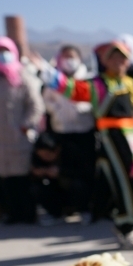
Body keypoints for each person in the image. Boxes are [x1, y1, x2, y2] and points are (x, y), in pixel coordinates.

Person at [38, 40, 133, 249]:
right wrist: (50, 75)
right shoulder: (98, 85)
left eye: (122, 58)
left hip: (131, 139)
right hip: (111, 140)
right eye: (113, 58)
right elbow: (74, 90)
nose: (118, 62)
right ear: (106, 61)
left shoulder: (130, 84)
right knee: (124, 182)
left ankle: (122, 223)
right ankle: (127, 227)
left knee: (128, 181)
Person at [0, 37, 44, 224]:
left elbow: (35, 105)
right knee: (1, 179)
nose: (2, 56)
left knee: (21, 179)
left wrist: (26, 124)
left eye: (6, 51)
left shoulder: (22, 75)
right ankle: (10, 213)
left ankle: (27, 213)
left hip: (17, 135)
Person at [42, 44, 95, 223]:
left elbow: (94, 100)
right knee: (62, 172)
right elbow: (46, 101)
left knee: (85, 170)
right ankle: (64, 208)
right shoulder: (54, 80)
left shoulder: (88, 79)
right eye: (65, 57)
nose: (69, 60)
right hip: (61, 131)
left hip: (84, 131)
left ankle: (85, 207)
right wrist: (58, 110)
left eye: (72, 56)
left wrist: (81, 109)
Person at [30, 131, 64, 224]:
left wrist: (61, 172)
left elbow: (83, 173)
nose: (45, 158)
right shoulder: (35, 157)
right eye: (42, 155)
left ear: (57, 150)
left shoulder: (68, 154)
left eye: (48, 155)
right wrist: (37, 173)